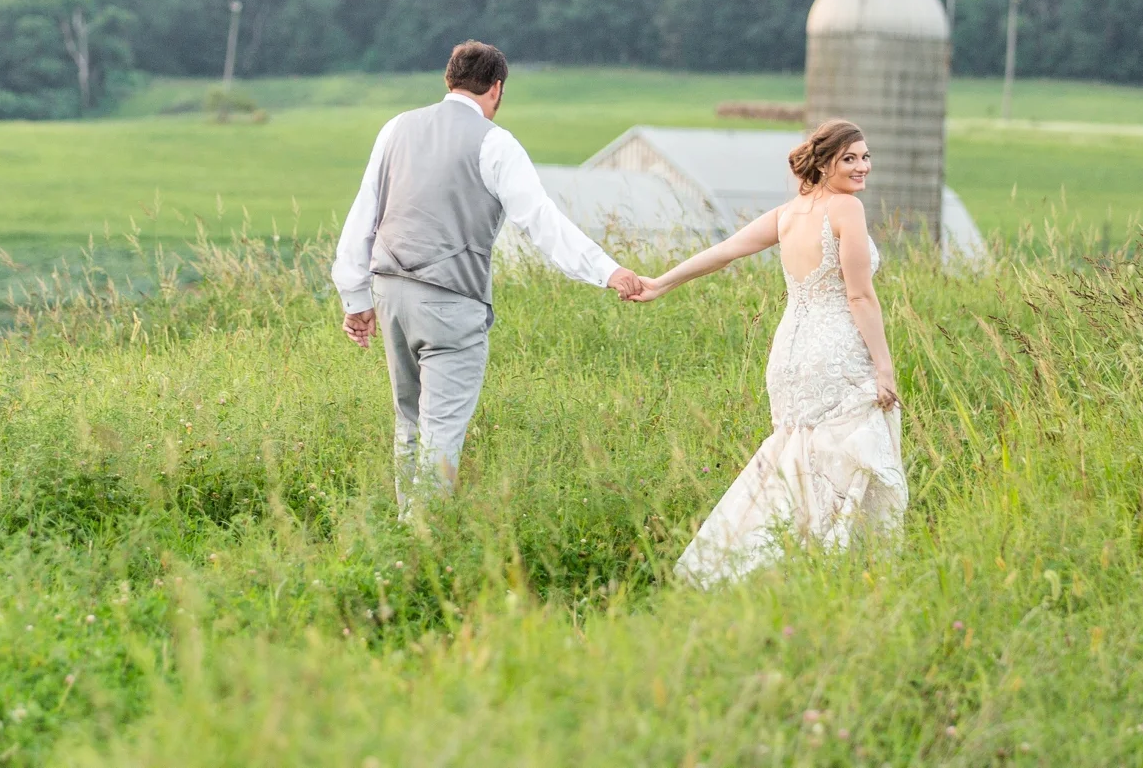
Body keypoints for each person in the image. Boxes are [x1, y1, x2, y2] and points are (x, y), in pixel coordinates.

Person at [334, 40, 642, 508]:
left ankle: (405, 529)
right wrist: (607, 270)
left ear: (449, 80)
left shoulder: (396, 128)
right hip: (450, 300)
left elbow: (363, 215)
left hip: (389, 293)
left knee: (409, 422)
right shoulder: (495, 142)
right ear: (496, 88)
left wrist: (355, 300)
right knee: (441, 431)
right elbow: (540, 220)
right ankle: (424, 536)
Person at [627, 119, 906, 584]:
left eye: (865, 157)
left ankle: (755, 561)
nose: (862, 167)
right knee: (843, 460)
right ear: (824, 164)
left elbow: (726, 250)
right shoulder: (847, 209)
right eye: (850, 159)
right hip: (834, 353)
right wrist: (885, 367)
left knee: (794, 457)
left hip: (790, 355)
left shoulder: (788, 213)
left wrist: (662, 283)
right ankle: (826, 566)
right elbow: (859, 296)